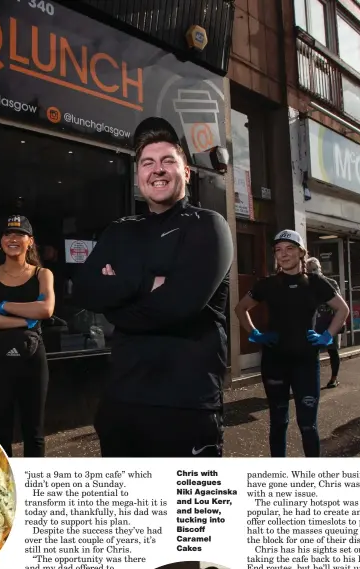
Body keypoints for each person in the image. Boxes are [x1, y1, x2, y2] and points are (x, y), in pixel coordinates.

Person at [74, 117, 233, 458]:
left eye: (167, 161)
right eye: (147, 163)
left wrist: (117, 293)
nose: (157, 170)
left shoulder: (208, 226)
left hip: (187, 406)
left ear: (186, 173)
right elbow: (85, 289)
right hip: (122, 404)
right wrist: (151, 282)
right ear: (138, 177)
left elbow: (177, 306)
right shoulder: (120, 230)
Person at [235, 229, 349, 457]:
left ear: (301, 253)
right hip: (274, 363)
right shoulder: (267, 284)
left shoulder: (316, 283)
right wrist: (256, 333)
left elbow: (342, 309)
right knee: (278, 422)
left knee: (308, 426)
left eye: (289, 249)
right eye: (278, 250)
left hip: (306, 363)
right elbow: (241, 308)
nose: (283, 255)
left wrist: (326, 336)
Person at [0, 215, 55, 457]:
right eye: (7, 234)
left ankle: (30, 489)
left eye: (19, 234)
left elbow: (46, 309)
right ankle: (2, 491)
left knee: (34, 431)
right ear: (1, 241)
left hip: (33, 358)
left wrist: (4, 305)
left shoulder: (42, 274)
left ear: (30, 241)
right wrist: (26, 319)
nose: (12, 238)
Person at [306, 257, 344, 388]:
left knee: (332, 350)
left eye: (315, 269)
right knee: (312, 351)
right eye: (309, 270)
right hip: (316, 322)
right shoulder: (306, 284)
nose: (313, 272)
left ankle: (334, 378)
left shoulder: (330, 283)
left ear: (320, 269)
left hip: (331, 321)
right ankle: (311, 380)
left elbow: (340, 305)